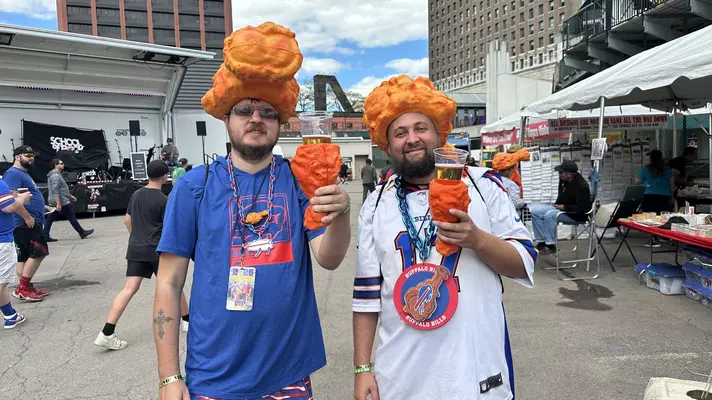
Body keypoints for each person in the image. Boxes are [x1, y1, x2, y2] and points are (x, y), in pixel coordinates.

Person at [153, 22, 350, 400]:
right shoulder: (193, 187)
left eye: (268, 111)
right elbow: (168, 283)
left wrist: (340, 213)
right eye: (244, 109)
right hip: (213, 374)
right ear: (226, 118)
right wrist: (168, 376)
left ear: (281, 122)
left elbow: (328, 258)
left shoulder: (298, 180)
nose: (256, 118)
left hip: (287, 372)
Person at [353, 75, 536, 400]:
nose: (412, 139)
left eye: (420, 128)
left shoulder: (483, 186)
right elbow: (366, 297)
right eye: (400, 132)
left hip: (476, 372)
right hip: (401, 379)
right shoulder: (375, 203)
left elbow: (524, 263)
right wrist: (361, 368)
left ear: (438, 132)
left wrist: (477, 239)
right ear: (387, 144)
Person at [95, 160, 189, 350]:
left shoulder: (136, 194)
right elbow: (171, 228)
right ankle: (187, 320)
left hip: (136, 247)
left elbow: (127, 220)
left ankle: (107, 331)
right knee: (174, 285)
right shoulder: (163, 199)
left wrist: (137, 238)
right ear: (165, 177)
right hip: (157, 249)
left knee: (128, 289)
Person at [2, 145, 50, 302]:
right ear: (17, 157)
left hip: (26, 221)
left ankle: (26, 287)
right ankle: (22, 287)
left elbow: (28, 195)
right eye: (28, 155)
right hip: (24, 222)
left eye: (33, 155)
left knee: (23, 256)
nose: (31, 158)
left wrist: (43, 206)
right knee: (39, 252)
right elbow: (13, 199)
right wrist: (28, 217)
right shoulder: (13, 174)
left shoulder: (22, 173)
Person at [530, 160, 591, 255]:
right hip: (562, 209)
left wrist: (564, 207)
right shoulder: (564, 181)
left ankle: (550, 245)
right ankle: (541, 242)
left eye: (561, 172)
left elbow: (583, 209)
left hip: (575, 215)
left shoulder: (581, 187)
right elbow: (561, 197)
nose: (559, 174)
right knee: (535, 212)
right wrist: (559, 206)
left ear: (569, 174)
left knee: (550, 215)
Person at [0, 179, 32, 328]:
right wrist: (21, 199)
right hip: (2, 240)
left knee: (2, 281)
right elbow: (9, 207)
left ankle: (10, 315)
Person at [44, 159, 94, 242]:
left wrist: (70, 196)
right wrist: (58, 204)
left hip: (60, 199)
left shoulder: (56, 175)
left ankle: (45, 235)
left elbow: (61, 189)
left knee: (51, 218)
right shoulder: (55, 176)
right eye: (61, 163)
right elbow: (55, 190)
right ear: (56, 165)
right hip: (61, 201)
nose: (63, 165)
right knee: (70, 216)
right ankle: (81, 232)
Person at [493, 148, 530, 212]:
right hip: (511, 216)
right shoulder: (510, 184)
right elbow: (516, 203)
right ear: (510, 169)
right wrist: (525, 202)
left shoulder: (493, 180)